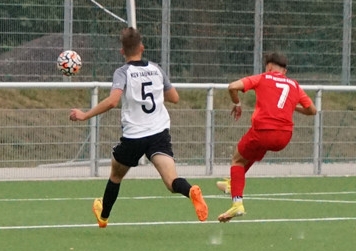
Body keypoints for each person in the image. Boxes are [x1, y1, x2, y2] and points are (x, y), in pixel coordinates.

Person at [68, 27, 208, 227]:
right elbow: (174, 98)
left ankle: (103, 217)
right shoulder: (156, 69)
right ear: (142, 47)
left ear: (122, 51)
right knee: (171, 181)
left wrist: (85, 115)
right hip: (159, 133)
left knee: (116, 175)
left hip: (134, 136)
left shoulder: (123, 72)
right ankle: (190, 190)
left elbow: (112, 101)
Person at [215, 52, 317, 222]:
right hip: (284, 137)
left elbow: (232, 87)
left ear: (269, 67)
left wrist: (237, 103)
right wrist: (293, 107)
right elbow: (312, 110)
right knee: (251, 154)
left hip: (263, 131)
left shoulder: (263, 77)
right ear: (285, 71)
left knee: (237, 160)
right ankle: (233, 183)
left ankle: (237, 203)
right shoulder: (294, 84)